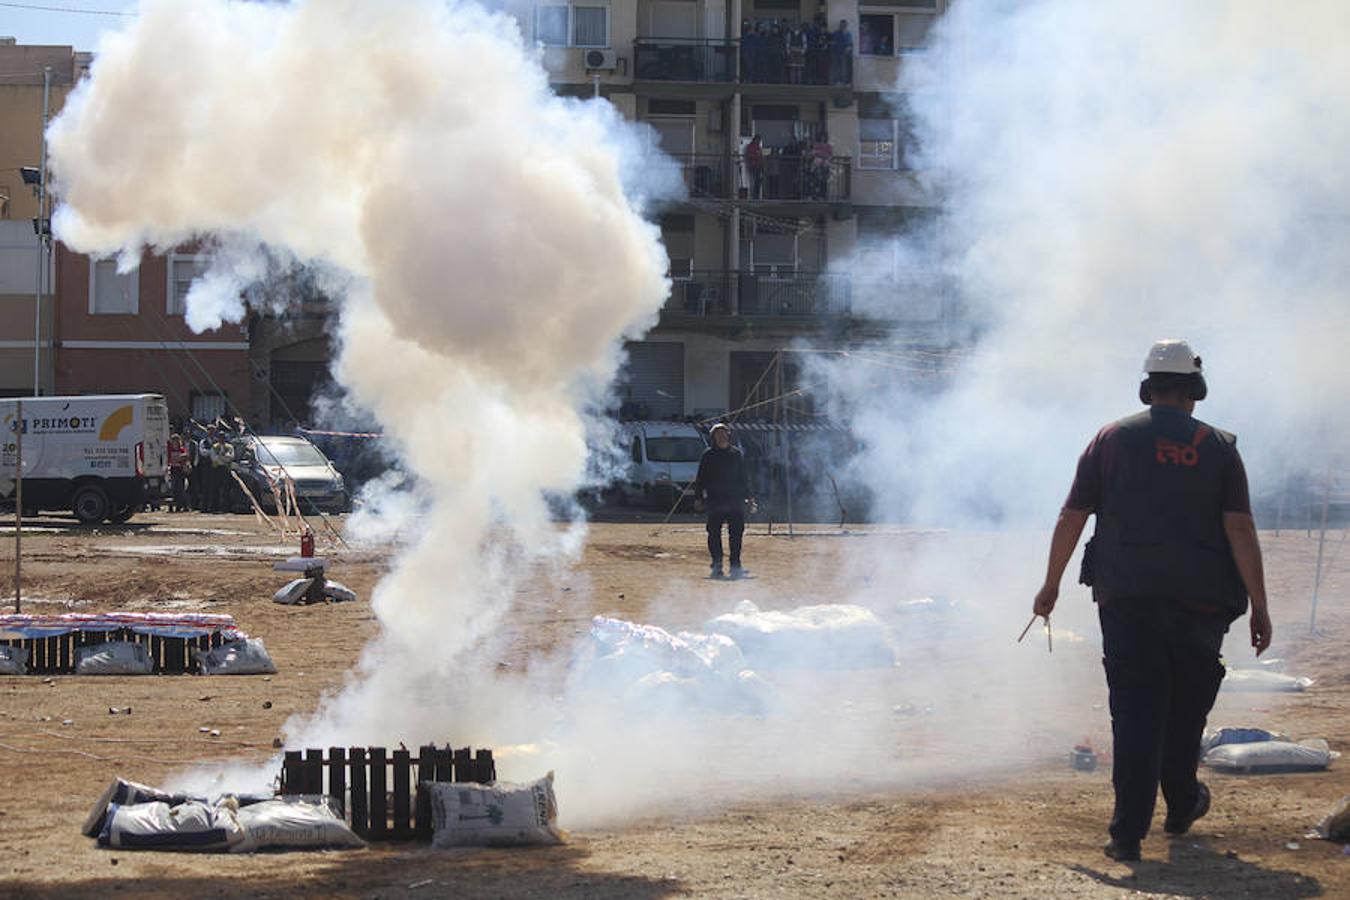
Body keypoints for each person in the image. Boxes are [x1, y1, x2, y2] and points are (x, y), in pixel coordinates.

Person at [1032, 339, 1273, 863]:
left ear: (1148, 388)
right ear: (1195, 391)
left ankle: (1126, 835)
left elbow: (1072, 516)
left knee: (1136, 713)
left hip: (1127, 601)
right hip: (1201, 605)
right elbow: (1240, 527)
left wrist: (1050, 585)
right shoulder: (1219, 446)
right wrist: (1260, 603)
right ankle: (1183, 802)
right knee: (1185, 713)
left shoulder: (1111, 439)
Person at [692, 423, 755, 579]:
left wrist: (750, 497)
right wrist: (698, 497)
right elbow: (700, 478)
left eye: (723, 433)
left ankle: (735, 565)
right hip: (715, 500)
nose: (721, 436)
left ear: (728, 435)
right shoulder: (708, 455)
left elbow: (744, 478)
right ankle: (717, 565)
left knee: (736, 534)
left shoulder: (736, 454)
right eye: (717, 434)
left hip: (735, 501)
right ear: (713, 437)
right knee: (714, 533)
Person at [167, 432, 191, 512]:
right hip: (173, 470)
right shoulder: (169, 449)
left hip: (180, 470)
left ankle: (182, 505)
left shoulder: (181, 449)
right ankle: (172, 506)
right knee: (173, 488)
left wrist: (181, 458)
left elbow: (186, 457)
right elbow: (168, 459)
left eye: (176, 441)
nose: (175, 442)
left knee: (181, 488)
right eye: (173, 440)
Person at [829, 19, 852, 84]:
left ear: (846, 25)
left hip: (844, 54)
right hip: (836, 53)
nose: (843, 26)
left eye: (844, 25)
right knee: (835, 67)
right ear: (840, 25)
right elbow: (833, 42)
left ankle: (843, 81)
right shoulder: (835, 33)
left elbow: (849, 44)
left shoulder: (848, 34)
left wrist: (848, 48)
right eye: (842, 25)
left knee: (844, 68)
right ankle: (835, 81)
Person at [745, 135, 765, 200]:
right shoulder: (751, 147)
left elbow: (761, 156)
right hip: (753, 166)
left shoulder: (758, 147)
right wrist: (756, 156)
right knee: (753, 181)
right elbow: (749, 155)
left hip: (758, 166)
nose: (759, 141)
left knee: (758, 182)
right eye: (758, 140)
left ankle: (757, 195)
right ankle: (753, 195)